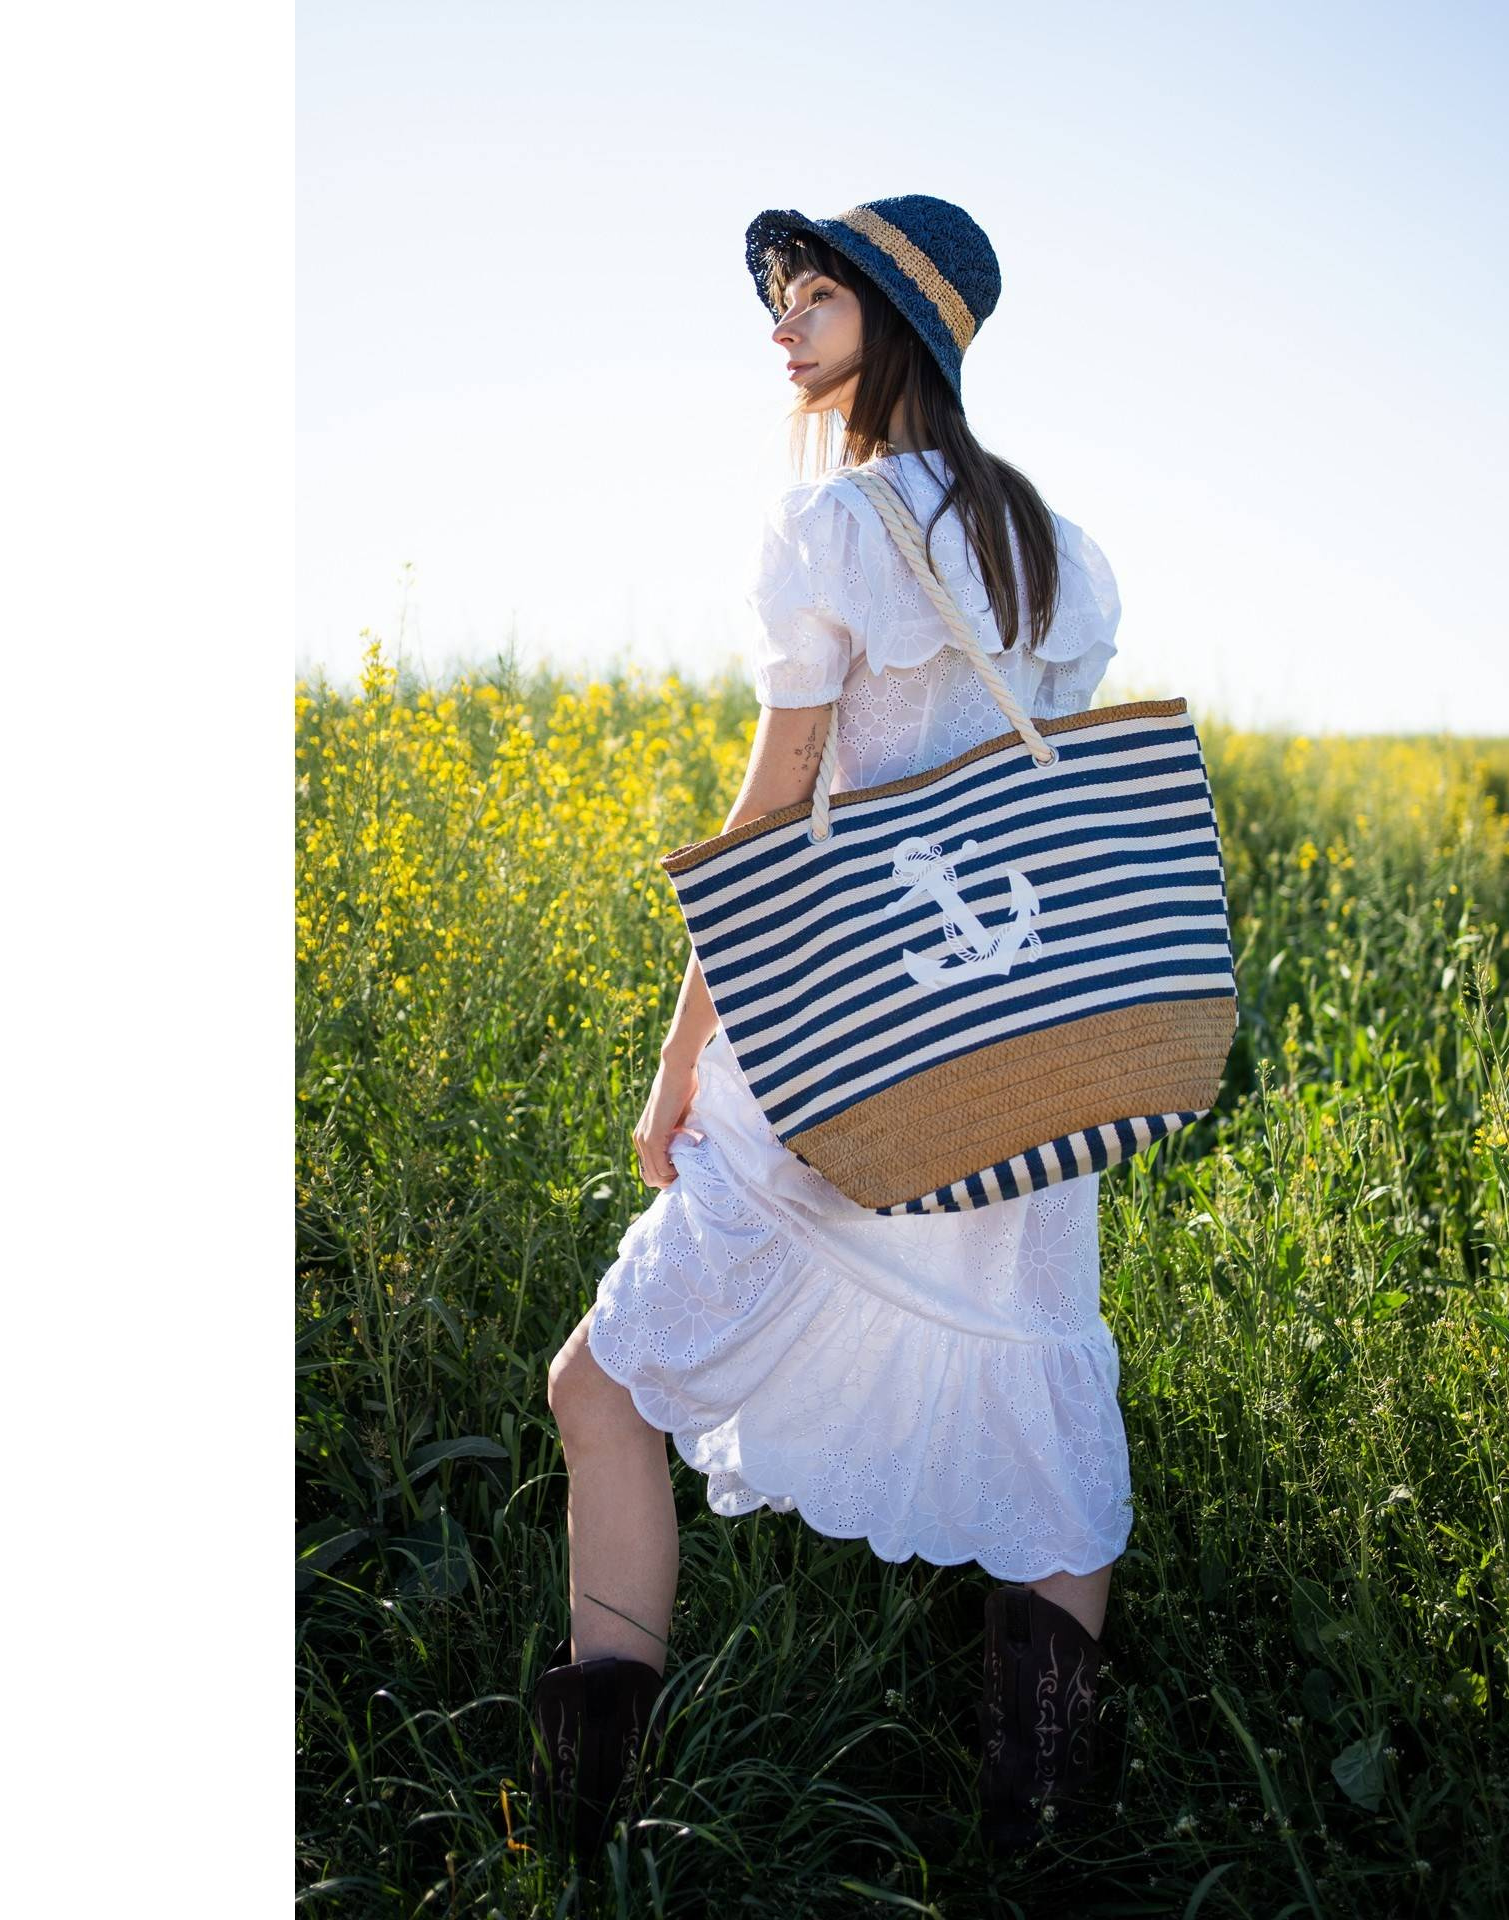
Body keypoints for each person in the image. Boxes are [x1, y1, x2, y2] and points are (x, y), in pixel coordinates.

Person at [531, 194, 1130, 1860]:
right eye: (779, 300)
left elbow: (772, 820)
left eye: (814, 298)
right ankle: (1045, 1831)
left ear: (902, 321)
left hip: (837, 1041)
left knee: (600, 1385)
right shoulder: (1062, 549)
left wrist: (679, 1062)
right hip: (1015, 1049)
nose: (782, 326)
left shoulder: (833, 526)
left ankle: (585, 1822)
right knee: (1034, 1394)